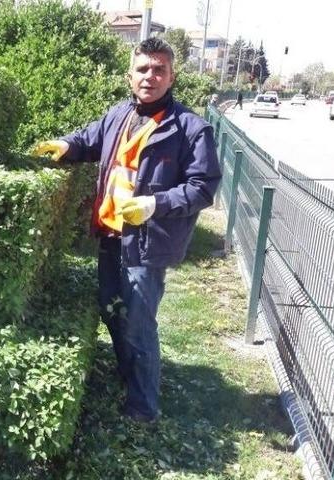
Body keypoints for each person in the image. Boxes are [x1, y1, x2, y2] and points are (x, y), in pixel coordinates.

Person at [33, 37, 221, 423]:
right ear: (129, 75)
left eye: (159, 70)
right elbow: (89, 140)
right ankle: (129, 376)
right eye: (142, 69)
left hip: (148, 243)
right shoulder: (119, 115)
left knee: (137, 323)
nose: (150, 76)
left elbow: (203, 188)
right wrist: (66, 145)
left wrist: (155, 205)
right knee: (112, 309)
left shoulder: (191, 129)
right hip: (111, 234)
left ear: (171, 77)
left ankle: (143, 408)